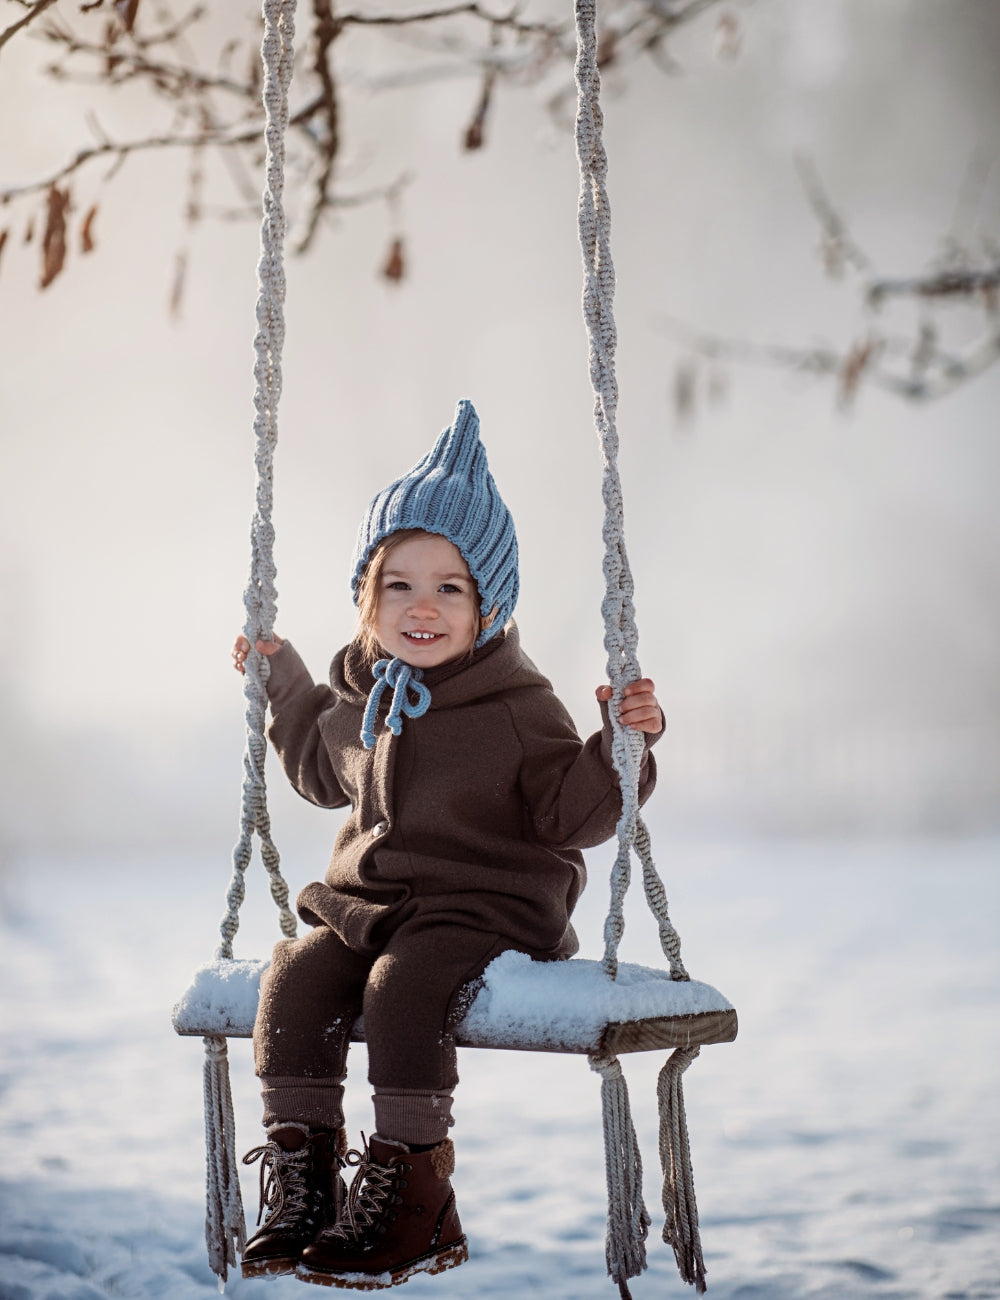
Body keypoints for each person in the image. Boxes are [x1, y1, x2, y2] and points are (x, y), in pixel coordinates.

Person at [231, 399, 663, 1290]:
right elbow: (320, 766)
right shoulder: (365, 698)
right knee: (297, 974)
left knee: (405, 988)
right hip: (377, 905)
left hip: (483, 904)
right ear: (368, 599)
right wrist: (287, 683)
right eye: (400, 585)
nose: (421, 607)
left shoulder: (515, 706)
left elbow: (566, 815)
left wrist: (619, 747)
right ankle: (306, 1179)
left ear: (487, 606)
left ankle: (415, 1195)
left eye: (450, 588)